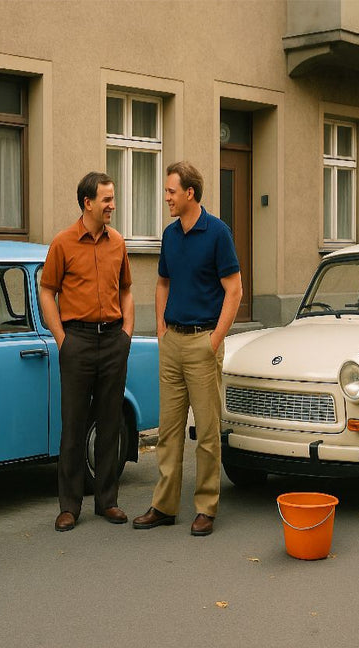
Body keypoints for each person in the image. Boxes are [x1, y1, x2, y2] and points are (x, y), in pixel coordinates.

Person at [133, 161, 242, 536]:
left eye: (171, 192)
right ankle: (164, 505)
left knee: (208, 432)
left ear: (189, 193)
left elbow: (234, 290)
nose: (166, 198)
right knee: (169, 430)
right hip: (173, 342)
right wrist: (161, 328)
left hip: (203, 341)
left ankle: (206, 506)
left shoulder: (218, 233)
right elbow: (162, 283)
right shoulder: (170, 234)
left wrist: (214, 341)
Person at [39, 172, 135, 532]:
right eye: (107, 200)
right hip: (76, 340)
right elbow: (47, 291)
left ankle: (107, 501)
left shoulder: (118, 243)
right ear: (88, 203)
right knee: (74, 425)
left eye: (113, 198)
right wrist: (61, 338)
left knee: (111, 423)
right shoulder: (62, 243)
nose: (113, 205)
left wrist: (126, 332)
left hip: (113, 340)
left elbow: (126, 289)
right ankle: (69, 505)